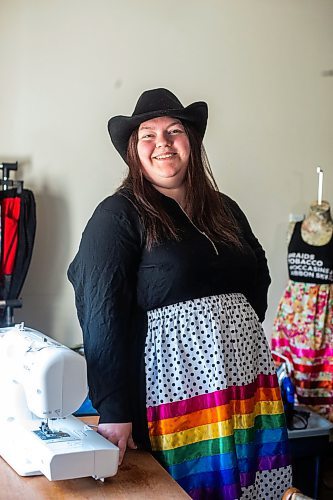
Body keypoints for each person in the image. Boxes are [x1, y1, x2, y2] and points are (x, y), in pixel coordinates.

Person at [68, 88, 292, 499]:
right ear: (134, 151)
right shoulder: (119, 214)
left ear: (192, 142)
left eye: (173, 131)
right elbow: (101, 313)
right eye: (147, 135)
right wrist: (114, 410)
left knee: (251, 487)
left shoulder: (223, 209)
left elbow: (257, 274)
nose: (162, 144)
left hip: (244, 386)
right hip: (170, 395)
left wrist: (228, 332)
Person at [272, 200, 333, 422]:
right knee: (288, 378)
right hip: (291, 319)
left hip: (323, 321)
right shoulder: (293, 229)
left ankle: (321, 442)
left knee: (322, 381)